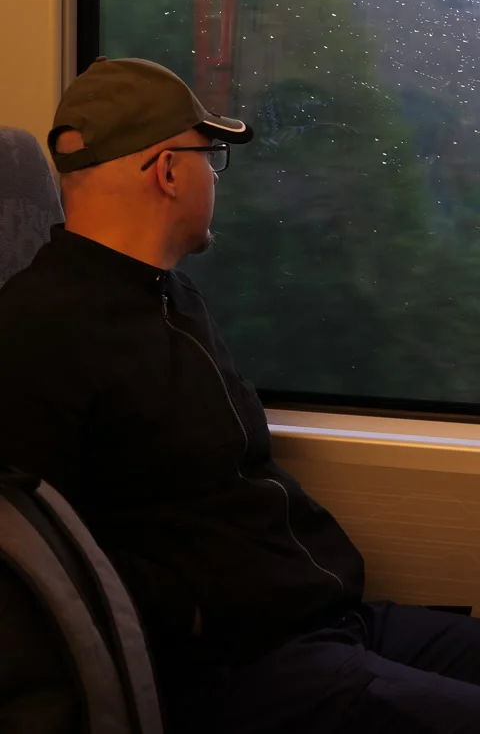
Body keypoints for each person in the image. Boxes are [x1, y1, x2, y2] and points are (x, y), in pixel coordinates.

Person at [1, 57, 480, 734]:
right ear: (168, 171)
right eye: (210, 155)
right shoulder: (36, 335)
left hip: (325, 618)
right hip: (241, 663)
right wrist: (195, 609)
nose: (214, 176)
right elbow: (43, 563)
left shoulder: (172, 296)